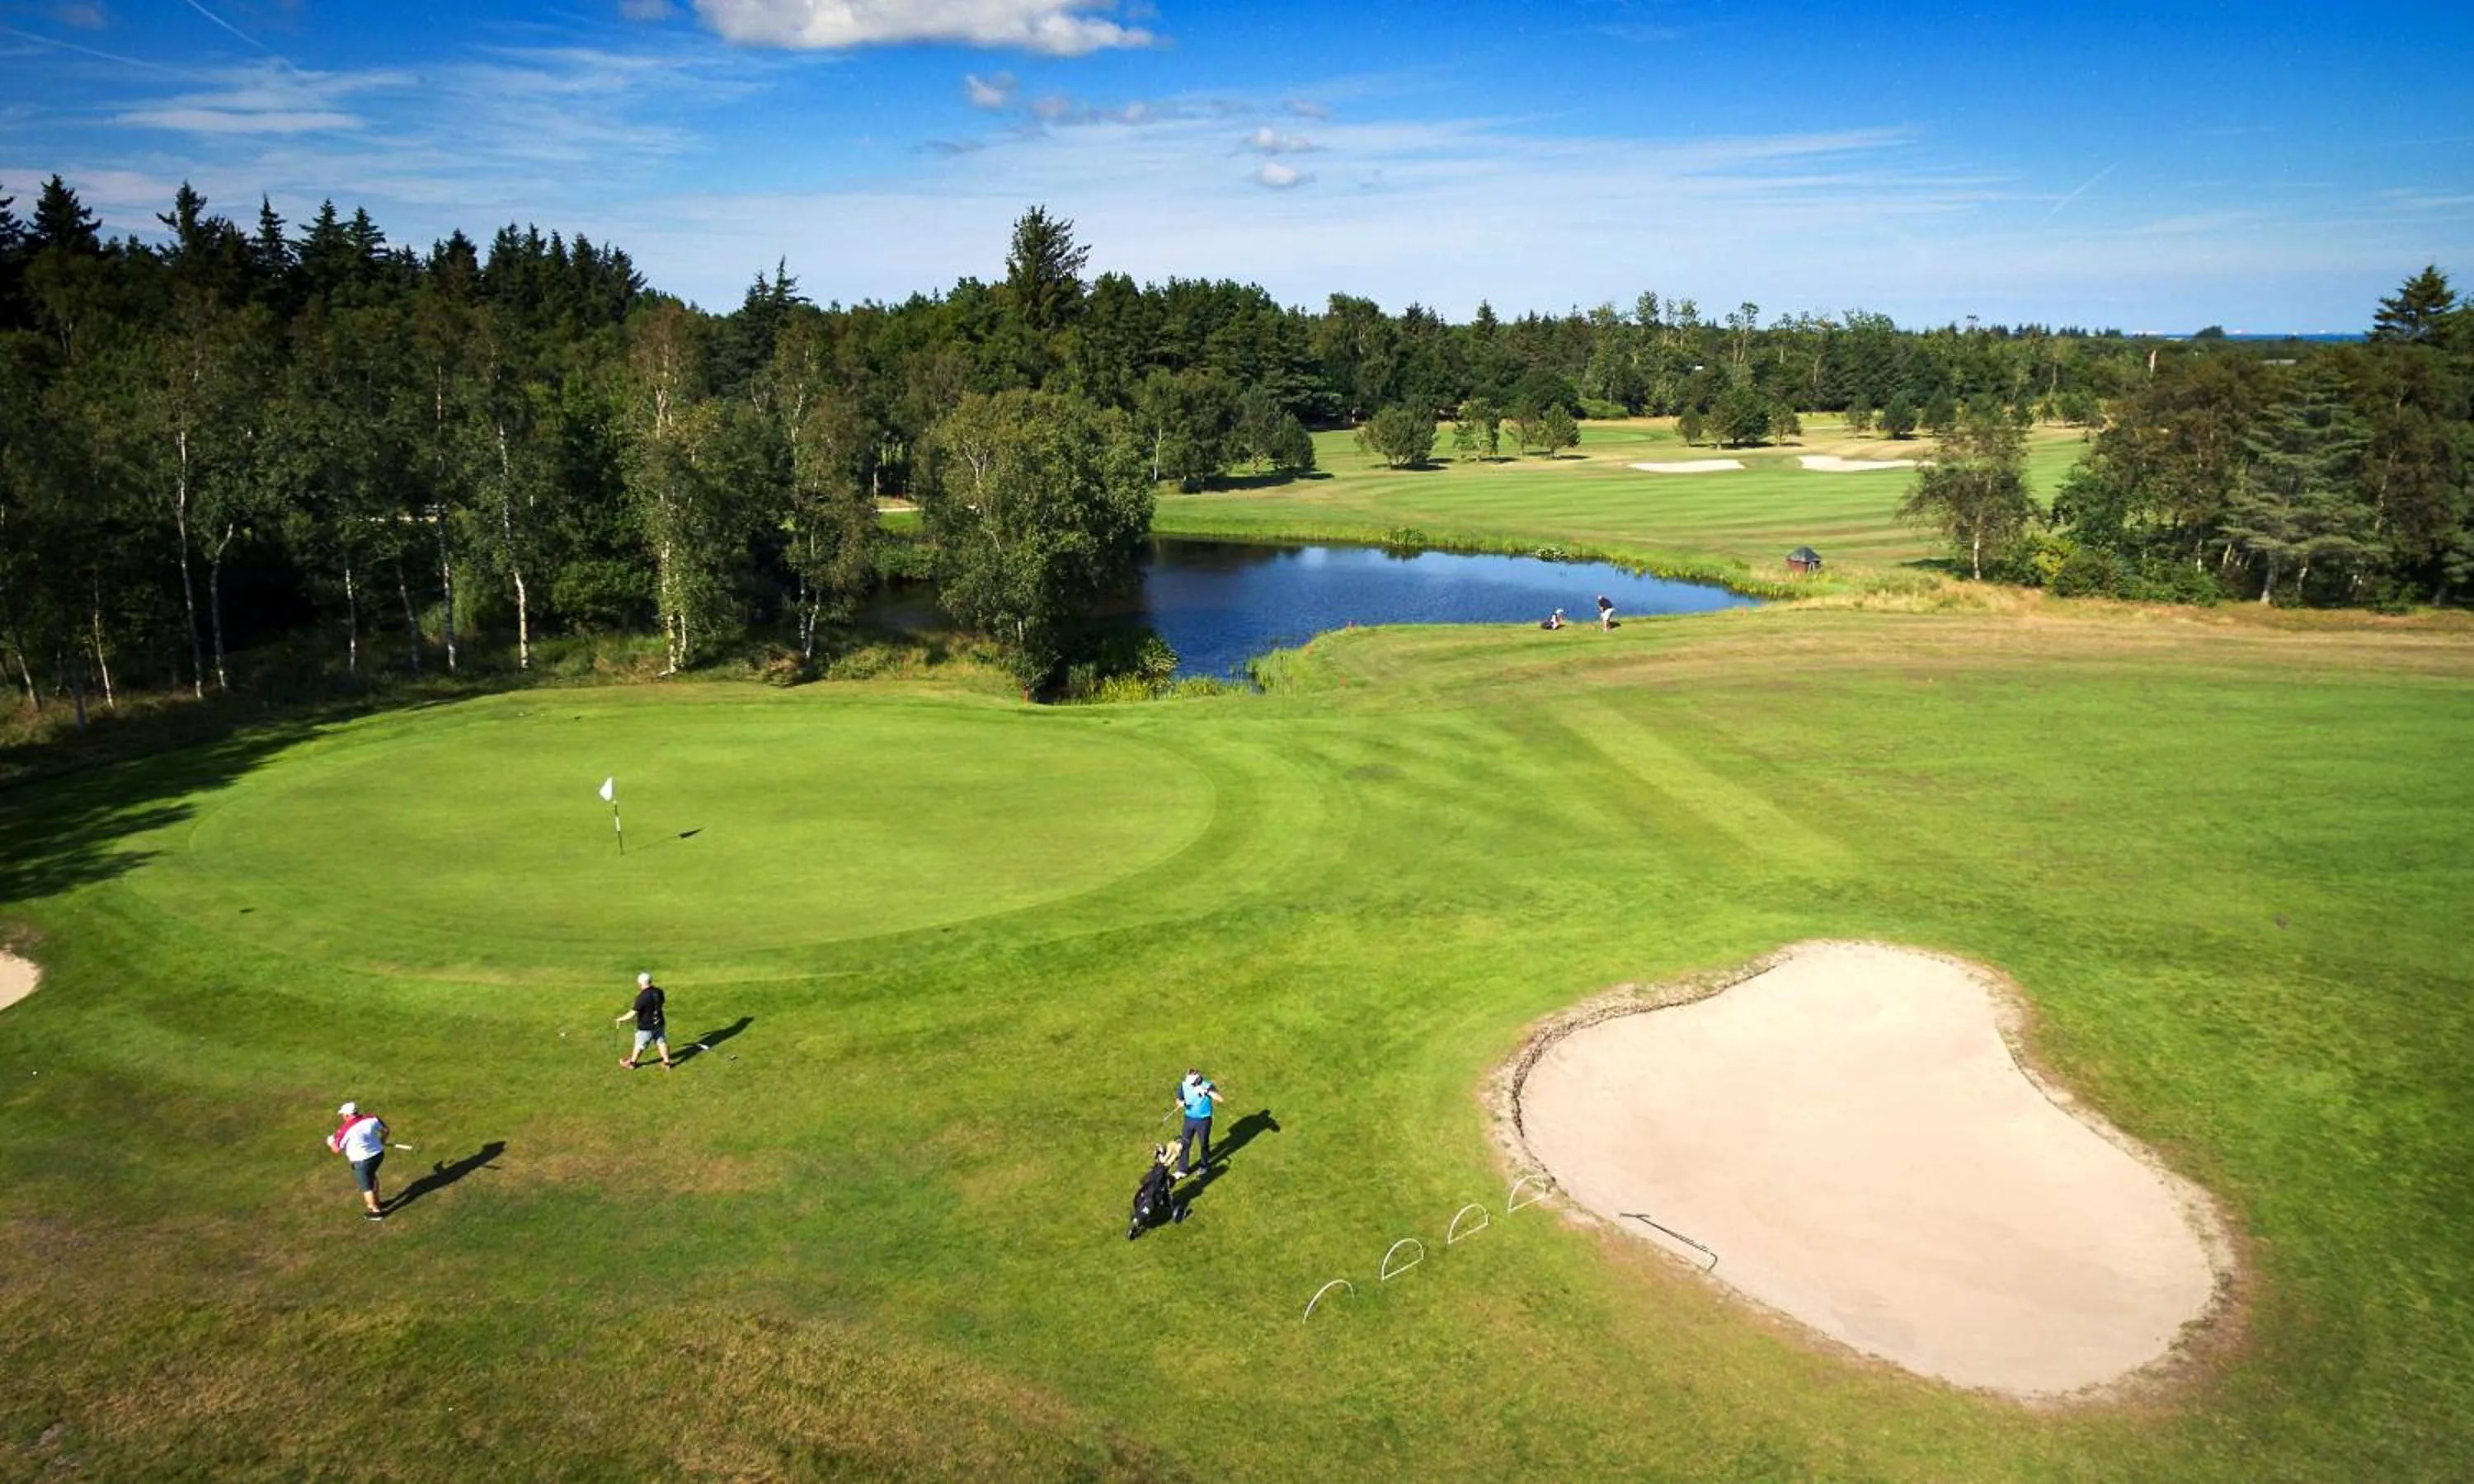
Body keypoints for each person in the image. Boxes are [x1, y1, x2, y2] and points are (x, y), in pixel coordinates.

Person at [327, 1101, 391, 1221]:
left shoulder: (345, 1130)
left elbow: (336, 1149)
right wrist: (382, 1141)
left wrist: (330, 1141)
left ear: (347, 1115)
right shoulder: (372, 1118)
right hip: (378, 1155)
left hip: (361, 1162)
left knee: (366, 1187)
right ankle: (377, 1202)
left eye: (343, 1115)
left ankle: (375, 1211)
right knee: (372, 1177)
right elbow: (386, 1131)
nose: (342, 1118)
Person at [1173, 1068, 1226, 1176]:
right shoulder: (1184, 1085)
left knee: (1204, 1144)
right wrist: (1181, 1103)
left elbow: (1220, 1099)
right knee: (1185, 1143)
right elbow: (1178, 1099)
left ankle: (1204, 1165)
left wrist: (1206, 1091)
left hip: (1204, 1120)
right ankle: (1182, 1170)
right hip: (1189, 1119)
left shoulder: (1207, 1085)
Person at [615, 970, 673, 1070]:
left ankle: (632, 1063)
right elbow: (661, 1002)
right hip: (660, 1023)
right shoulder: (659, 991)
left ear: (640, 983)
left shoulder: (642, 997)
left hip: (646, 1027)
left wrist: (621, 1019)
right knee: (661, 1041)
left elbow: (633, 1013)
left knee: (639, 1045)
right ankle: (667, 1063)